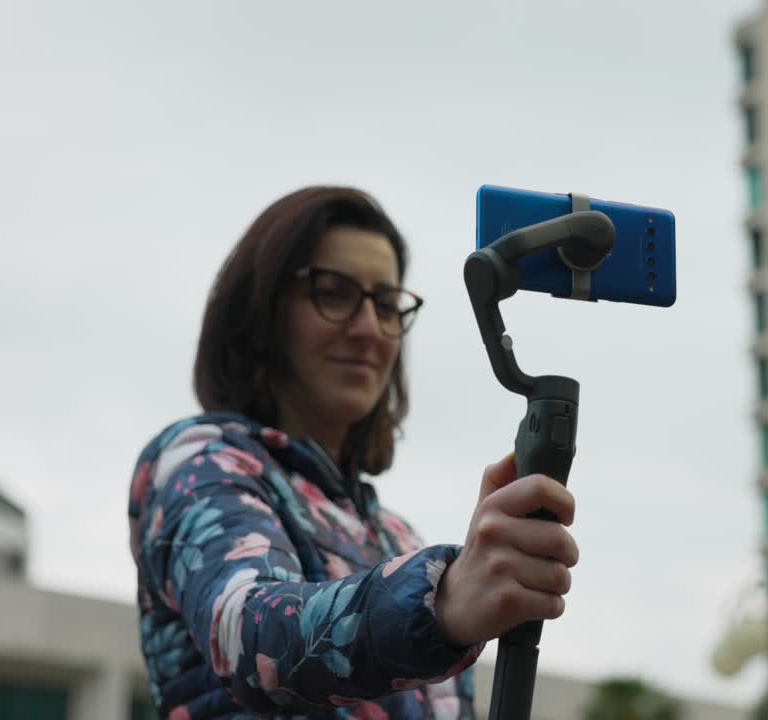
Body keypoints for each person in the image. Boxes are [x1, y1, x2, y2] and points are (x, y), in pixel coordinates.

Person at [127, 186, 580, 720]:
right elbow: (249, 633)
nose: (369, 329)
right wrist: (444, 599)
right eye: (335, 292)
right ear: (262, 307)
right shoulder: (201, 461)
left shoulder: (399, 538)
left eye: (387, 304)